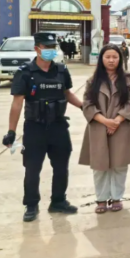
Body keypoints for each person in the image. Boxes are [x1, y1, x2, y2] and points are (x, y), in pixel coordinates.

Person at [2, 33, 82, 222]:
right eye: (46, 47)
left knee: (61, 167)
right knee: (32, 169)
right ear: (37, 49)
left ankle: (58, 201)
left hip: (58, 127)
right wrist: (11, 131)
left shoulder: (61, 70)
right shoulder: (25, 72)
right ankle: (31, 205)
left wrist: (84, 107)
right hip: (35, 128)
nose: (50, 50)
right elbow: (17, 103)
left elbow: (67, 93)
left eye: (53, 46)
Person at [80, 44, 130, 213]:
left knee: (119, 164)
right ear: (101, 59)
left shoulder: (129, 79)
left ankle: (116, 197)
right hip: (98, 126)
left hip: (122, 126)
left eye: (115, 57)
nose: (111, 60)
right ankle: (101, 199)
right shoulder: (93, 81)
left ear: (120, 59)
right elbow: (87, 104)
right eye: (107, 57)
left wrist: (118, 120)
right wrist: (105, 121)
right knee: (99, 165)